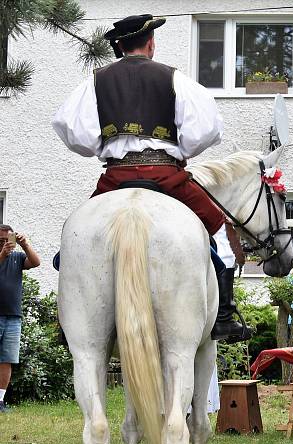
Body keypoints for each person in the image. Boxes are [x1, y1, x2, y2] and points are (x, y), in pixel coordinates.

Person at [51, 14, 248, 341]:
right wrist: (180, 149)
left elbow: (71, 129)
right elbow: (207, 129)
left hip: (114, 177)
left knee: (72, 242)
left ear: (121, 46)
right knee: (222, 236)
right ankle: (224, 316)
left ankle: (69, 323)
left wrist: (104, 144)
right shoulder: (174, 79)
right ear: (151, 43)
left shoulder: (96, 81)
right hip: (168, 175)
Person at [0, 225, 41, 412]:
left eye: (6, 240)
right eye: (0, 241)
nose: (4, 244)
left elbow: (36, 262)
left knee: (6, 360)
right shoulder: (3, 256)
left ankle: (0, 401)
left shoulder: (17, 257)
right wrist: (2, 255)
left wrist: (25, 245)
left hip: (13, 317)